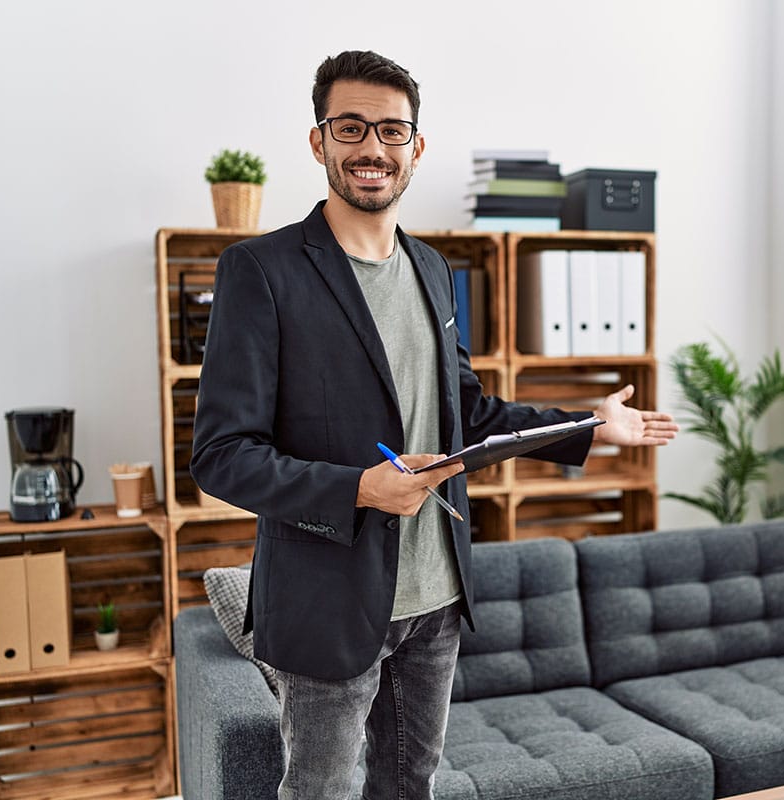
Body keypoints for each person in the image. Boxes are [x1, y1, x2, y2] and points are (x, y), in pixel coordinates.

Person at [190, 49, 678, 800]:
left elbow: (468, 414)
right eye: (351, 127)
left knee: (409, 784)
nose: (372, 148)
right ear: (318, 141)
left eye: (392, 130)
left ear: (415, 148)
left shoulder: (429, 266)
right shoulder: (261, 269)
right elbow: (223, 457)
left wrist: (590, 424)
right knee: (319, 791)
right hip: (328, 599)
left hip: (436, 598)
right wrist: (361, 488)